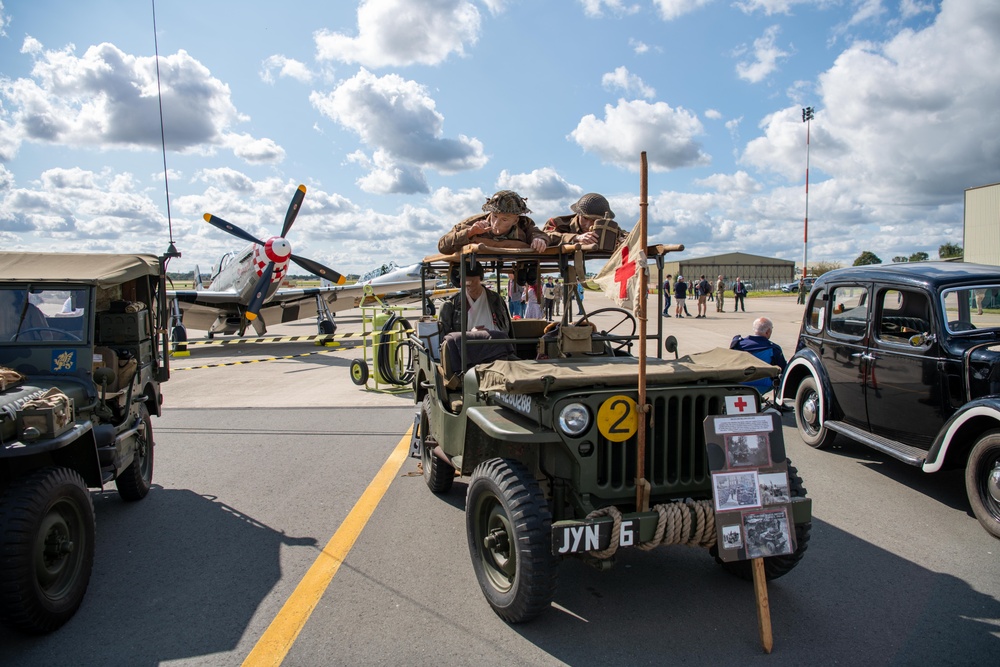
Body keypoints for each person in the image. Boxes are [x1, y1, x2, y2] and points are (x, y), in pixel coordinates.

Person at [438, 190, 549, 255]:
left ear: (515, 220)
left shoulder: (524, 224)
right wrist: (469, 233)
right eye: (494, 216)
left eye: (504, 219)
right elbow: (443, 246)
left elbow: (538, 234)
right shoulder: (473, 223)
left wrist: (539, 240)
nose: (496, 223)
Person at [543, 193, 625, 247]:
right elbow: (545, 236)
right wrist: (576, 238)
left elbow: (626, 236)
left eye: (594, 220)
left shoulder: (607, 228)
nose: (588, 225)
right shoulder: (558, 223)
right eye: (585, 218)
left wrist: (623, 240)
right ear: (578, 214)